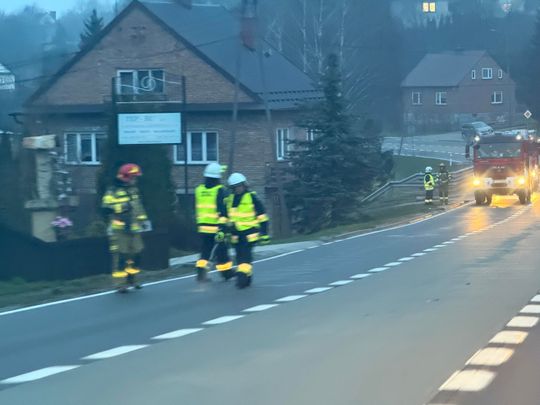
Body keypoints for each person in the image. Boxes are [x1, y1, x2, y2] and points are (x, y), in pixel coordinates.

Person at [102, 163, 150, 292]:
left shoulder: (133, 190)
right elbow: (106, 208)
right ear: (125, 176)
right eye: (133, 177)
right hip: (120, 230)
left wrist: (144, 220)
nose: (135, 180)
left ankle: (132, 279)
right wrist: (122, 207)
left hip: (134, 229)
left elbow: (138, 206)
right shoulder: (112, 191)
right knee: (121, 256)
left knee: (136, 254)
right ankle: (120, 284)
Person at [226, 173, 270, 289]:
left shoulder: (252, 197)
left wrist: (264, 233)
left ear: (244, 185)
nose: (238, 189)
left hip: (249, 233)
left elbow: (262, 216)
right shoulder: (230, 200)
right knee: (239, 257)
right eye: (235, 187)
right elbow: (228, 217)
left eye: (239, 186)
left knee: (245, 257)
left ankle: (241, 278)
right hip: (235, 235)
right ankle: (247, 277)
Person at [194, 162, 233, 282]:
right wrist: (223, 228)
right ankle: (226, 273)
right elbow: (223, 211)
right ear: (217, 177)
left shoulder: (199, 190)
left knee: (205, 251)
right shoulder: (219, 190)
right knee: (221, 251)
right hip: (216, 227)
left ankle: (200, 273)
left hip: (202, 227)